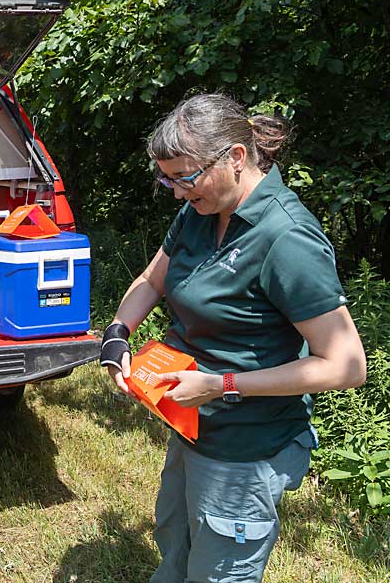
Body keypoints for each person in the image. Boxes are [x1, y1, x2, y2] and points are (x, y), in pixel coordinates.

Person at [101, 93, 367, 583]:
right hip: (192, 423)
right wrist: (117, 336)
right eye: (167, 179)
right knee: (175, 538)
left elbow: (346, 365)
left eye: (184, 177)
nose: (177, 192)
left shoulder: (287, 239)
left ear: (236, 158)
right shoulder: (200, 210)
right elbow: (152, 281)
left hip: (246, 446)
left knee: (218, 570)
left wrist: (221, 385)